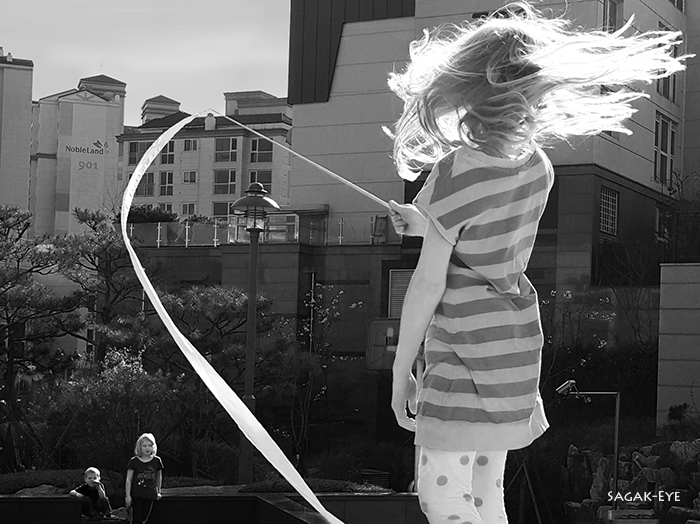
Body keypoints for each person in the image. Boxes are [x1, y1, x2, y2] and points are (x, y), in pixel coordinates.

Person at [386, 2, 691, 523]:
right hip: (513, 347)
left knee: (442, 497)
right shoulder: (537, 166)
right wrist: (426, 223)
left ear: (472, 85)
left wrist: (401, 371)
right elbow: (489, 233)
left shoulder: (454, 171)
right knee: (486, 494)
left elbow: (428, 283)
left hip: (463, 347)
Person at [125, 433, 163, 524]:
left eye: (150, 445)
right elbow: (128, 479)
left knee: (146, 518)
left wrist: (158, 491)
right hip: (136, 495)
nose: (147, 448)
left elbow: (159, 477)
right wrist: (128, 496)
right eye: (144, 446)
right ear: (140, 447)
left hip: (150, 494)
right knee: (137, 519)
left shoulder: (157, 461)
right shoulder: (134, 461)